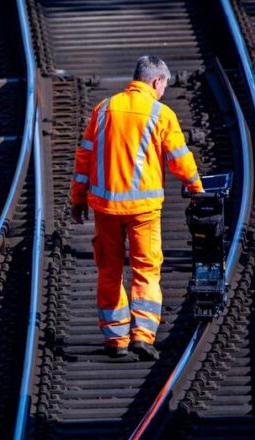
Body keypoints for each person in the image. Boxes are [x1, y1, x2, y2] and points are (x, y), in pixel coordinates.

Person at [70, 56, 204, 361]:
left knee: (109, 269)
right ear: (156, 82)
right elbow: (179, 158)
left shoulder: (103, 110)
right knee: (146, 269)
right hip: (143, 211)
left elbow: (84, 158)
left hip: (105, 208)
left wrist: (77, 199)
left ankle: (116, 339)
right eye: (164, 86)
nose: (164, 92)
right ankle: (143, 336)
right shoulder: (161, 113)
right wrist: (197, 190)